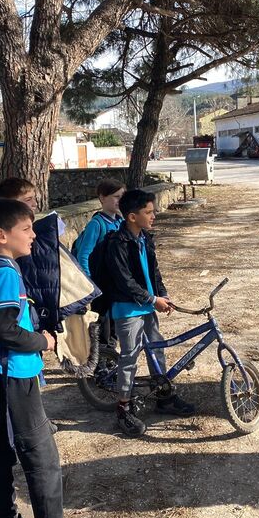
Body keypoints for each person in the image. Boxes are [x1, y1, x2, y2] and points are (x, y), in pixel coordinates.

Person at [0, 198, 63, 518]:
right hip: (13, 376)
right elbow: (6, 330)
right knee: (43, 460)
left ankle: (4, 516)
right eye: (25, 229)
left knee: (2, 450)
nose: (33, 236)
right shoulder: (4, 273)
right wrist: (44, 340)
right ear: (1, 234)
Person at [104, 189, 195, 437]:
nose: (153, 215)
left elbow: (153, 273)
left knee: (157, 350)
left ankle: (164, 397)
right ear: (132, 216)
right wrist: (153, 299)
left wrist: (162, 295)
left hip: (148, 304)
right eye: (148, 212)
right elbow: (124, 281)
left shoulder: (145, 238)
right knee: (130, 358)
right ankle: (123, 408)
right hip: (128, 308)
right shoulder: (117, 243)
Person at [74, 178, 125, 346]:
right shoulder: (96, 224)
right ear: (102, 198)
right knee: (102, 325)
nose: (120, 200)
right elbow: (84, 254)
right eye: (116, 196)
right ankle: (101, 363)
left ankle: (110, 360)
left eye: (122, 196)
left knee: (115, 325)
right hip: (101, 285)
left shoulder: (120, 222)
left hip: (116, 284)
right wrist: (91, 284)